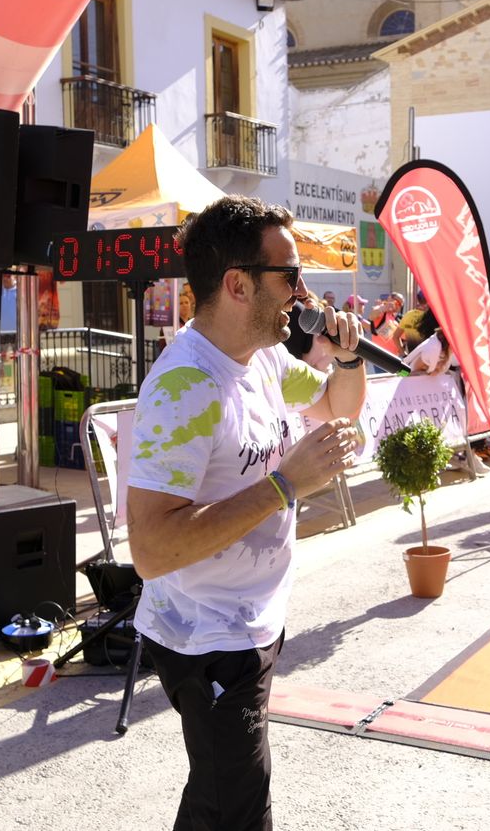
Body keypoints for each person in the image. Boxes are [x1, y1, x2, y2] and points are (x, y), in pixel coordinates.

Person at [126, 195, 367, 831]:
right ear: (238, 284)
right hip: (204, 638)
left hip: (252, 620)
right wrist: (287, 484)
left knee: (219, 797)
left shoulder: (261, 356)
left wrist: (347, 359)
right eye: (288, 275)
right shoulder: (186, 388)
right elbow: (150, 550)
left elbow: (336, 408)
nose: (302, 290)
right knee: (239, 805)